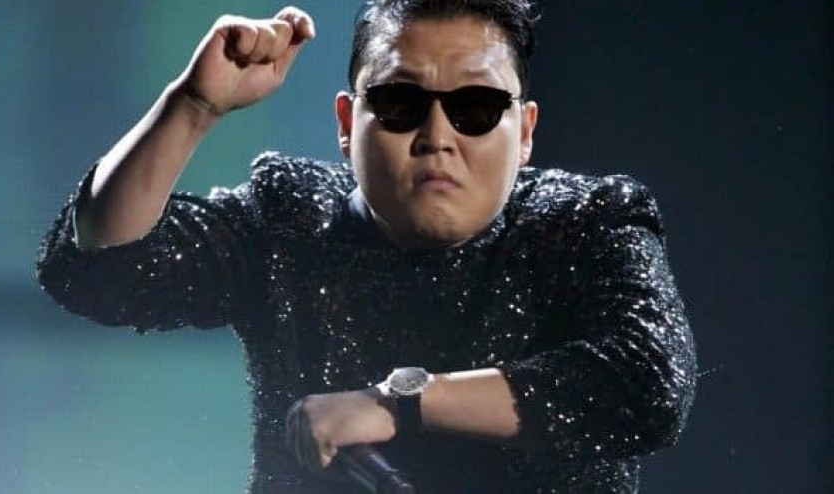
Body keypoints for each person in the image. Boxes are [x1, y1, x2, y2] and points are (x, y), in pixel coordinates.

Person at [36, 0, 697, 492]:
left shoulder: (582, 222)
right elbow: (99, 270)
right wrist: (193, 106)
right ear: (347, 122)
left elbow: (646, 385)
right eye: (401, 103)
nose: (436, 136)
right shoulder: (289, 221)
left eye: (473, 108)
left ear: (523, 132)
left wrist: (398, 406)